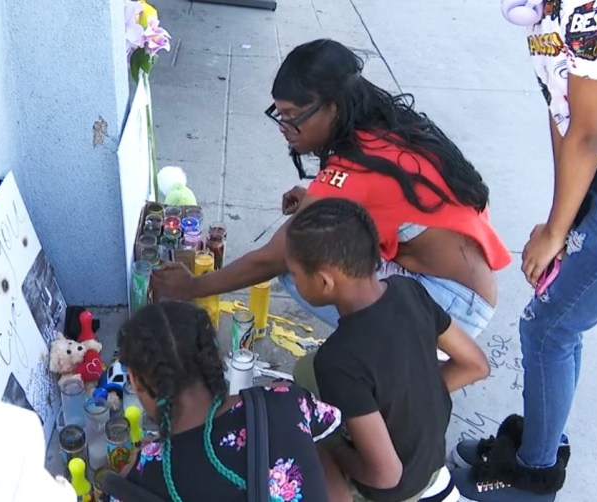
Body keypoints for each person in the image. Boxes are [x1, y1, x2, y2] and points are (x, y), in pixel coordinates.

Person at [451, 1, 597, 500]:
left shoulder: (592, 10)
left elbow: (587, 133)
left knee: (550, 327)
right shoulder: (551, 8)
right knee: (557, 321)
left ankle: (532, 476)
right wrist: (560, 217)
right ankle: (537, 446)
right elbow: (564, 112)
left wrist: (557, 230)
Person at [153, 39, 511, 341]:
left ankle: (391, 353)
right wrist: (317, 198)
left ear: (333, 107)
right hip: (468, 287)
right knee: (326, 237)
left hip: (452, 306)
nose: (284, 126)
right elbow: (374, 199)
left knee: (300, 259)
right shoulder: (384, 129)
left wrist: (192, 287)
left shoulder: (355, 173)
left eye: (292, 114)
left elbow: (273, 256)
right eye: (279, 113)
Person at [285, 198, 491, 502]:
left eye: (296, 274)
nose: (294, 281)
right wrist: (415, 398)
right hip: (429, 463)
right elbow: (476, 365)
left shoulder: (337, 361)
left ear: (325, 280)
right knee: (305, 370)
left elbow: (386, 476)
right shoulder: (409, 291)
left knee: (301, 435)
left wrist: (331, 446)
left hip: (395, 491)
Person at [115, 301, 343, 501]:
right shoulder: (287, 401)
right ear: (215, 357)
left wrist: (133, 474)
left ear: (135, 381)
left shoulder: (144, 477)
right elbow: (328, 424)